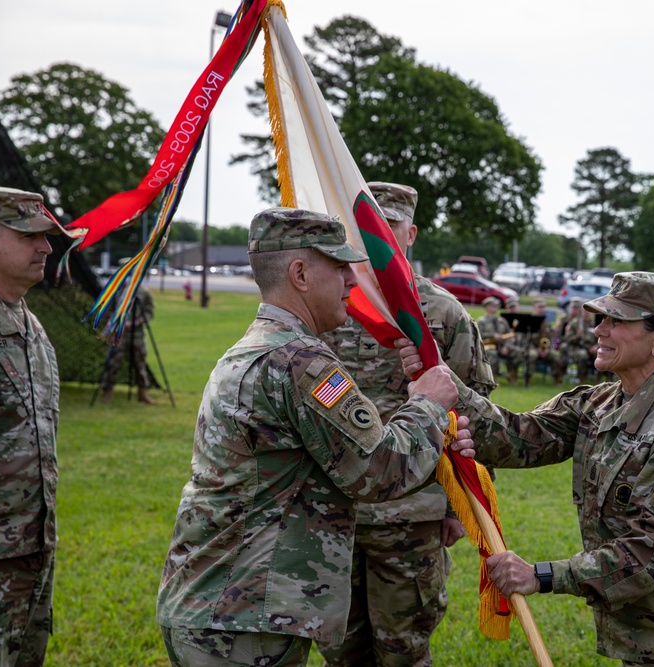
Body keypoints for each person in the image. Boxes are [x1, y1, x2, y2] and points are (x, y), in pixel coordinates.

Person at [156, 208, 471, 667]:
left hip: (220, 604)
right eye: (339, 266)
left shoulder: (255, 346)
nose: (352, 280)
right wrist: (427, 403)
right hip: (246, 620)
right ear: (300, 273)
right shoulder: (298, 361)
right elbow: (378, 471)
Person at [401, 272, 654, 667]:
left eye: (616, 321)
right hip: (639, 628)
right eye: (601, 318)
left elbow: (648, 555)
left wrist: (540, 575)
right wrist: (442, 378)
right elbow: (518, 437)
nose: (599, 330)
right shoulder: (600, 402)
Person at [317, 182, 495, 667]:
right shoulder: (328, 305)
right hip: (334, 508)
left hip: (411, 514)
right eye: (362, 229)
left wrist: (460, 509)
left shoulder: (441, 314)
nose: (373, 239)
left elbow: (475, 418)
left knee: (403, 650)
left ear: (410, 233)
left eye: (386, 227)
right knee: (340, 649)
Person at [0, 186, 75, 666]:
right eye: (29, 235)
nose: (46, 247)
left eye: (46, 235)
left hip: (28, 554)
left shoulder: (27, 323)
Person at [99, 285, 156, 404]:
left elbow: (149, 312)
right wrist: (116, 321)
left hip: (137, 334)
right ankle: (107, 391)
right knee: (113, 361)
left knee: (140, 363)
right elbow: (107, 311)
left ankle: (143, 392)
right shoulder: (116, 291)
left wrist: (137, 322)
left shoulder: (143, 292)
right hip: (119, 334)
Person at [524, 298, 564, 386]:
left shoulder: (547, 322)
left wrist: (546, 349)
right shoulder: (528, 321)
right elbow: (524, 339)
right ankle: (528, 379)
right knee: (532, 355)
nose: (541, 309)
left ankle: (556, 379)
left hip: (545, 347)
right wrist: (537, 349)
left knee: (556, 355)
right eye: (539, 307)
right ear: (534, 307)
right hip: (532, 347)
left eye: (543, 307)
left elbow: (549, 338)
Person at [477, 296, 516, 384]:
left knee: (518, 352)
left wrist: (506, 346)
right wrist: (492, 335)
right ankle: (492, 379)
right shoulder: (481, 321)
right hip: (488, 347)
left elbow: (509, 334)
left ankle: (512, 375)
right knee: (492, 354)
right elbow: (478, 336)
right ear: (487, 307)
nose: (496, 307)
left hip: (502, 346)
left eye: (497, 306)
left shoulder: (502, 320)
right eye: (494, 306)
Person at [561, 298, 599, 384]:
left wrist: (596, 346)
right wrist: (577, 336)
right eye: (585, 311)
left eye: (589, 311)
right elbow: (568, 339)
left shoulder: (594, 324)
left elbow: (600, 338)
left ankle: (599, 379)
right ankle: (582, 379)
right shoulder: (574, 323)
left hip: (591, 347)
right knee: (583, 355)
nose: (587, 313)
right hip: (576, 347)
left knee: (602, 355)